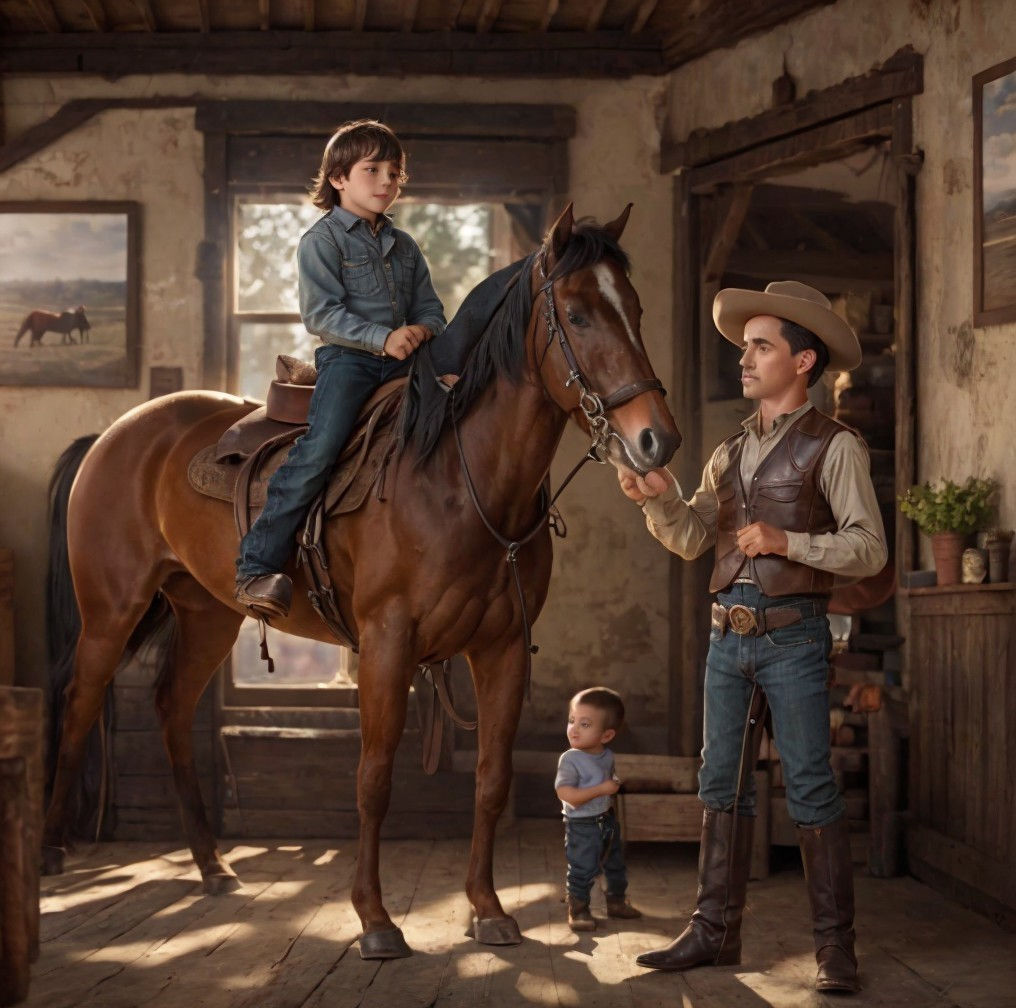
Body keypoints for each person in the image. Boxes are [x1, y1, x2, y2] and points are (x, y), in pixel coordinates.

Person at [618, 281, 887, 994]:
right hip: (726, 640)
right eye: (745, 345)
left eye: (761, 345)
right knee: (720, 786)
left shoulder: (837, 447)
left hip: (795, 637)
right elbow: (692, 537)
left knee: (808, 787)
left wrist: (789, 541)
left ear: (802, 361)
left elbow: (869, 550)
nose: (745, 356)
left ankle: (835, 950)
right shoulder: (729, 451)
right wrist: (658, 499)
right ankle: (713, 933)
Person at [235, 119, 447, 618]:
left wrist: (422, 330)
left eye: (394, 172)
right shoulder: (322, 241)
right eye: (372, 170)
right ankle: (257, 566)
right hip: (349, 360)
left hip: (407, 360)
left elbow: (432, 308)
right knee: (321, 449)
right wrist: (383, 337)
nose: (385, 182)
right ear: (338, 179)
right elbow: (321, 315)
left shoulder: (407, 246)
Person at [555, 687, 642, 932]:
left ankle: (616, 901)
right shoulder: (570, 760)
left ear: (606, 735)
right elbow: (567, 795)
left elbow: (606, 780)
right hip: (581, 824)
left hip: (607, 819)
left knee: (615, 863)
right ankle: (579, 909)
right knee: (582, 867)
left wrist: (613, 783)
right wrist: (603, 789)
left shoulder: (606, 755)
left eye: (584, 724)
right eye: (572, 720)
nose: (573, 728)